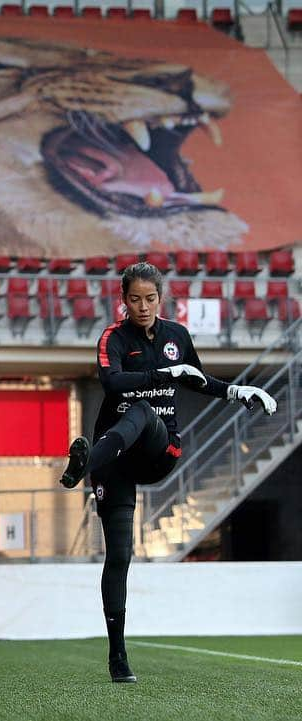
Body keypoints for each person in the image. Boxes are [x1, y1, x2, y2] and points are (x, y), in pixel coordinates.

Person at [59, 262, 277, 683]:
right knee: (119, 555)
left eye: (151, 298)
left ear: (162, 298)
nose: (143, 306)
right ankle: (118, 657)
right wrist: (163, 374)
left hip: (159, 448)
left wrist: (237, 391)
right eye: (135, 299)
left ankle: (84, 465)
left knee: (144, 410)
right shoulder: (112, 337)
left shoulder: (177, 336)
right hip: (116, 453)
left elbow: (195, 379)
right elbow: (112, 382)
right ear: (123, 301)